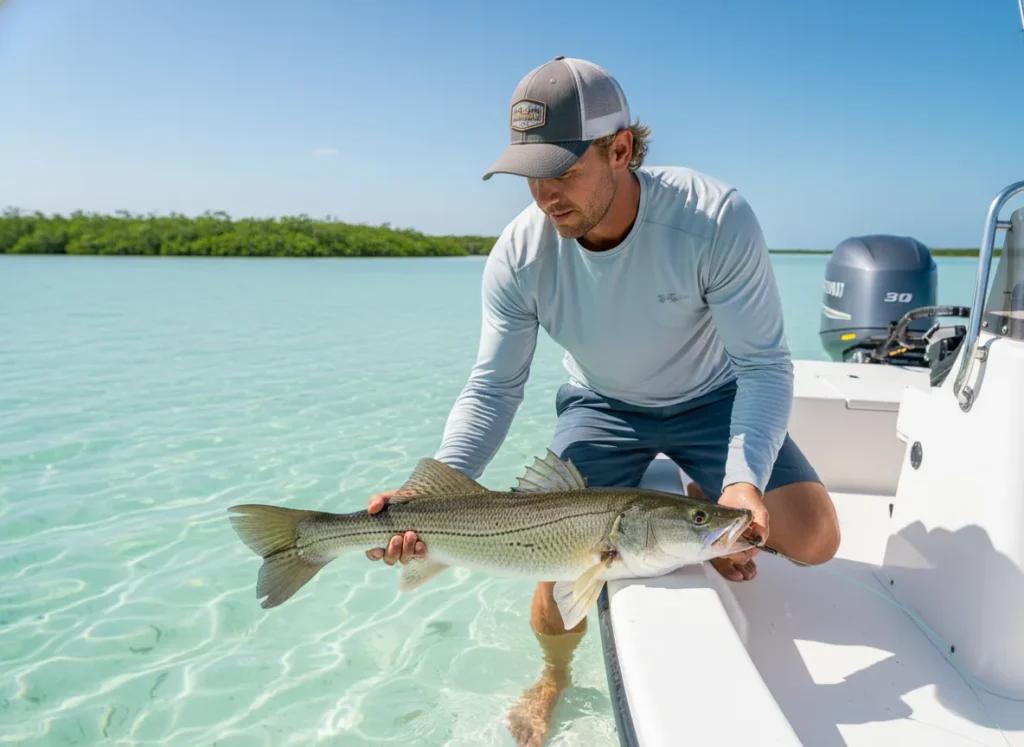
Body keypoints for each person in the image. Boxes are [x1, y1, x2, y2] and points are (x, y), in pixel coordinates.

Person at [364, 56, 841, 747]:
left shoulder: (713, 219)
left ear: (621, 150)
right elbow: (493, 387)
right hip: (601, 406)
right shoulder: (520, 255)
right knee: (553, 586)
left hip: (711, 396)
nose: (543, 193)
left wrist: (741, 477)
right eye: (531, 172)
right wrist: (429, 490)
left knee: (815, 537)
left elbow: (764, 365)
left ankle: (702, 500)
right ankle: (551, 678)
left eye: (562, 170)